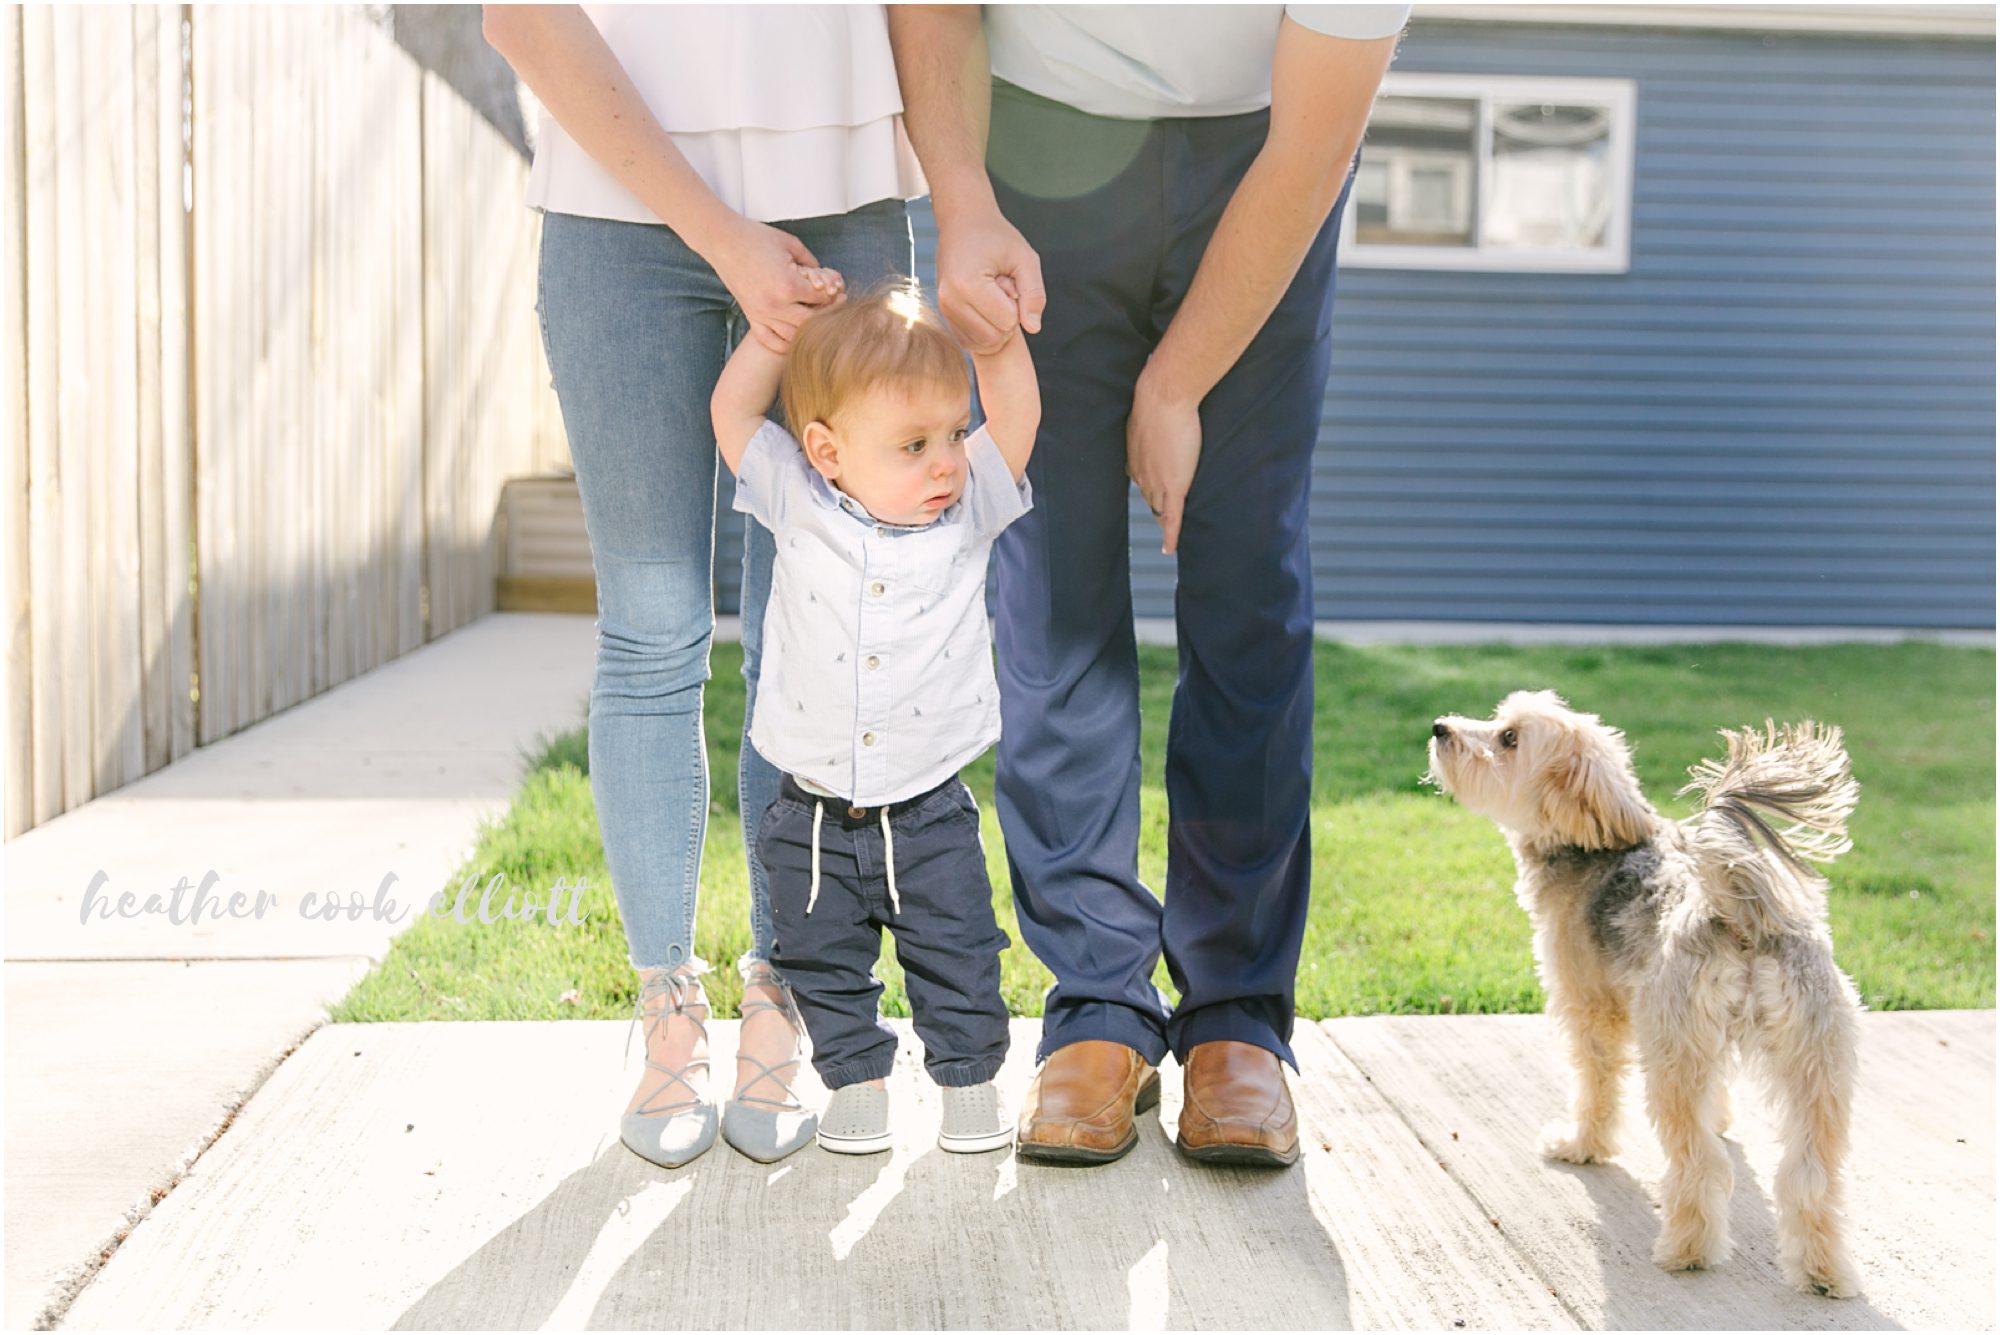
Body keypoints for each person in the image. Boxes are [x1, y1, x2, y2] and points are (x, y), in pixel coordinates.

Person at [889, 4, 1407, 1167]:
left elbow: (1314, 142)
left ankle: (1237, 1019)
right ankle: (1095, 1001)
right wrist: (964, 202)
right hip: (1034, 148)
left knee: (1246, 591)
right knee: (1049, 585)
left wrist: (1173, 386)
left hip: (1262, 158)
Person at [484, 5, 924, 1168]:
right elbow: (519, 15)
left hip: (841, 198)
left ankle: (781, 999)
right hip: (615, 210)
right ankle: (667, 1020)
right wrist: (723, 233)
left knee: (814, 636)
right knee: (650, 624)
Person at [712, 279, 1040, 1155]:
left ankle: (970, 1084)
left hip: (928, 808)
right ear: (824, 450)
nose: (946, 461)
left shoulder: (966, 513)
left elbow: (1014, 429)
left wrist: (1001, 347)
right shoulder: (796, 501)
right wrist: (775, 331)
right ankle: (855, 1083)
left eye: (951, 434)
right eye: (913, 444)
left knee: (959, 954)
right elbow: (735, 412)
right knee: (818, 960)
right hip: (809, 811)